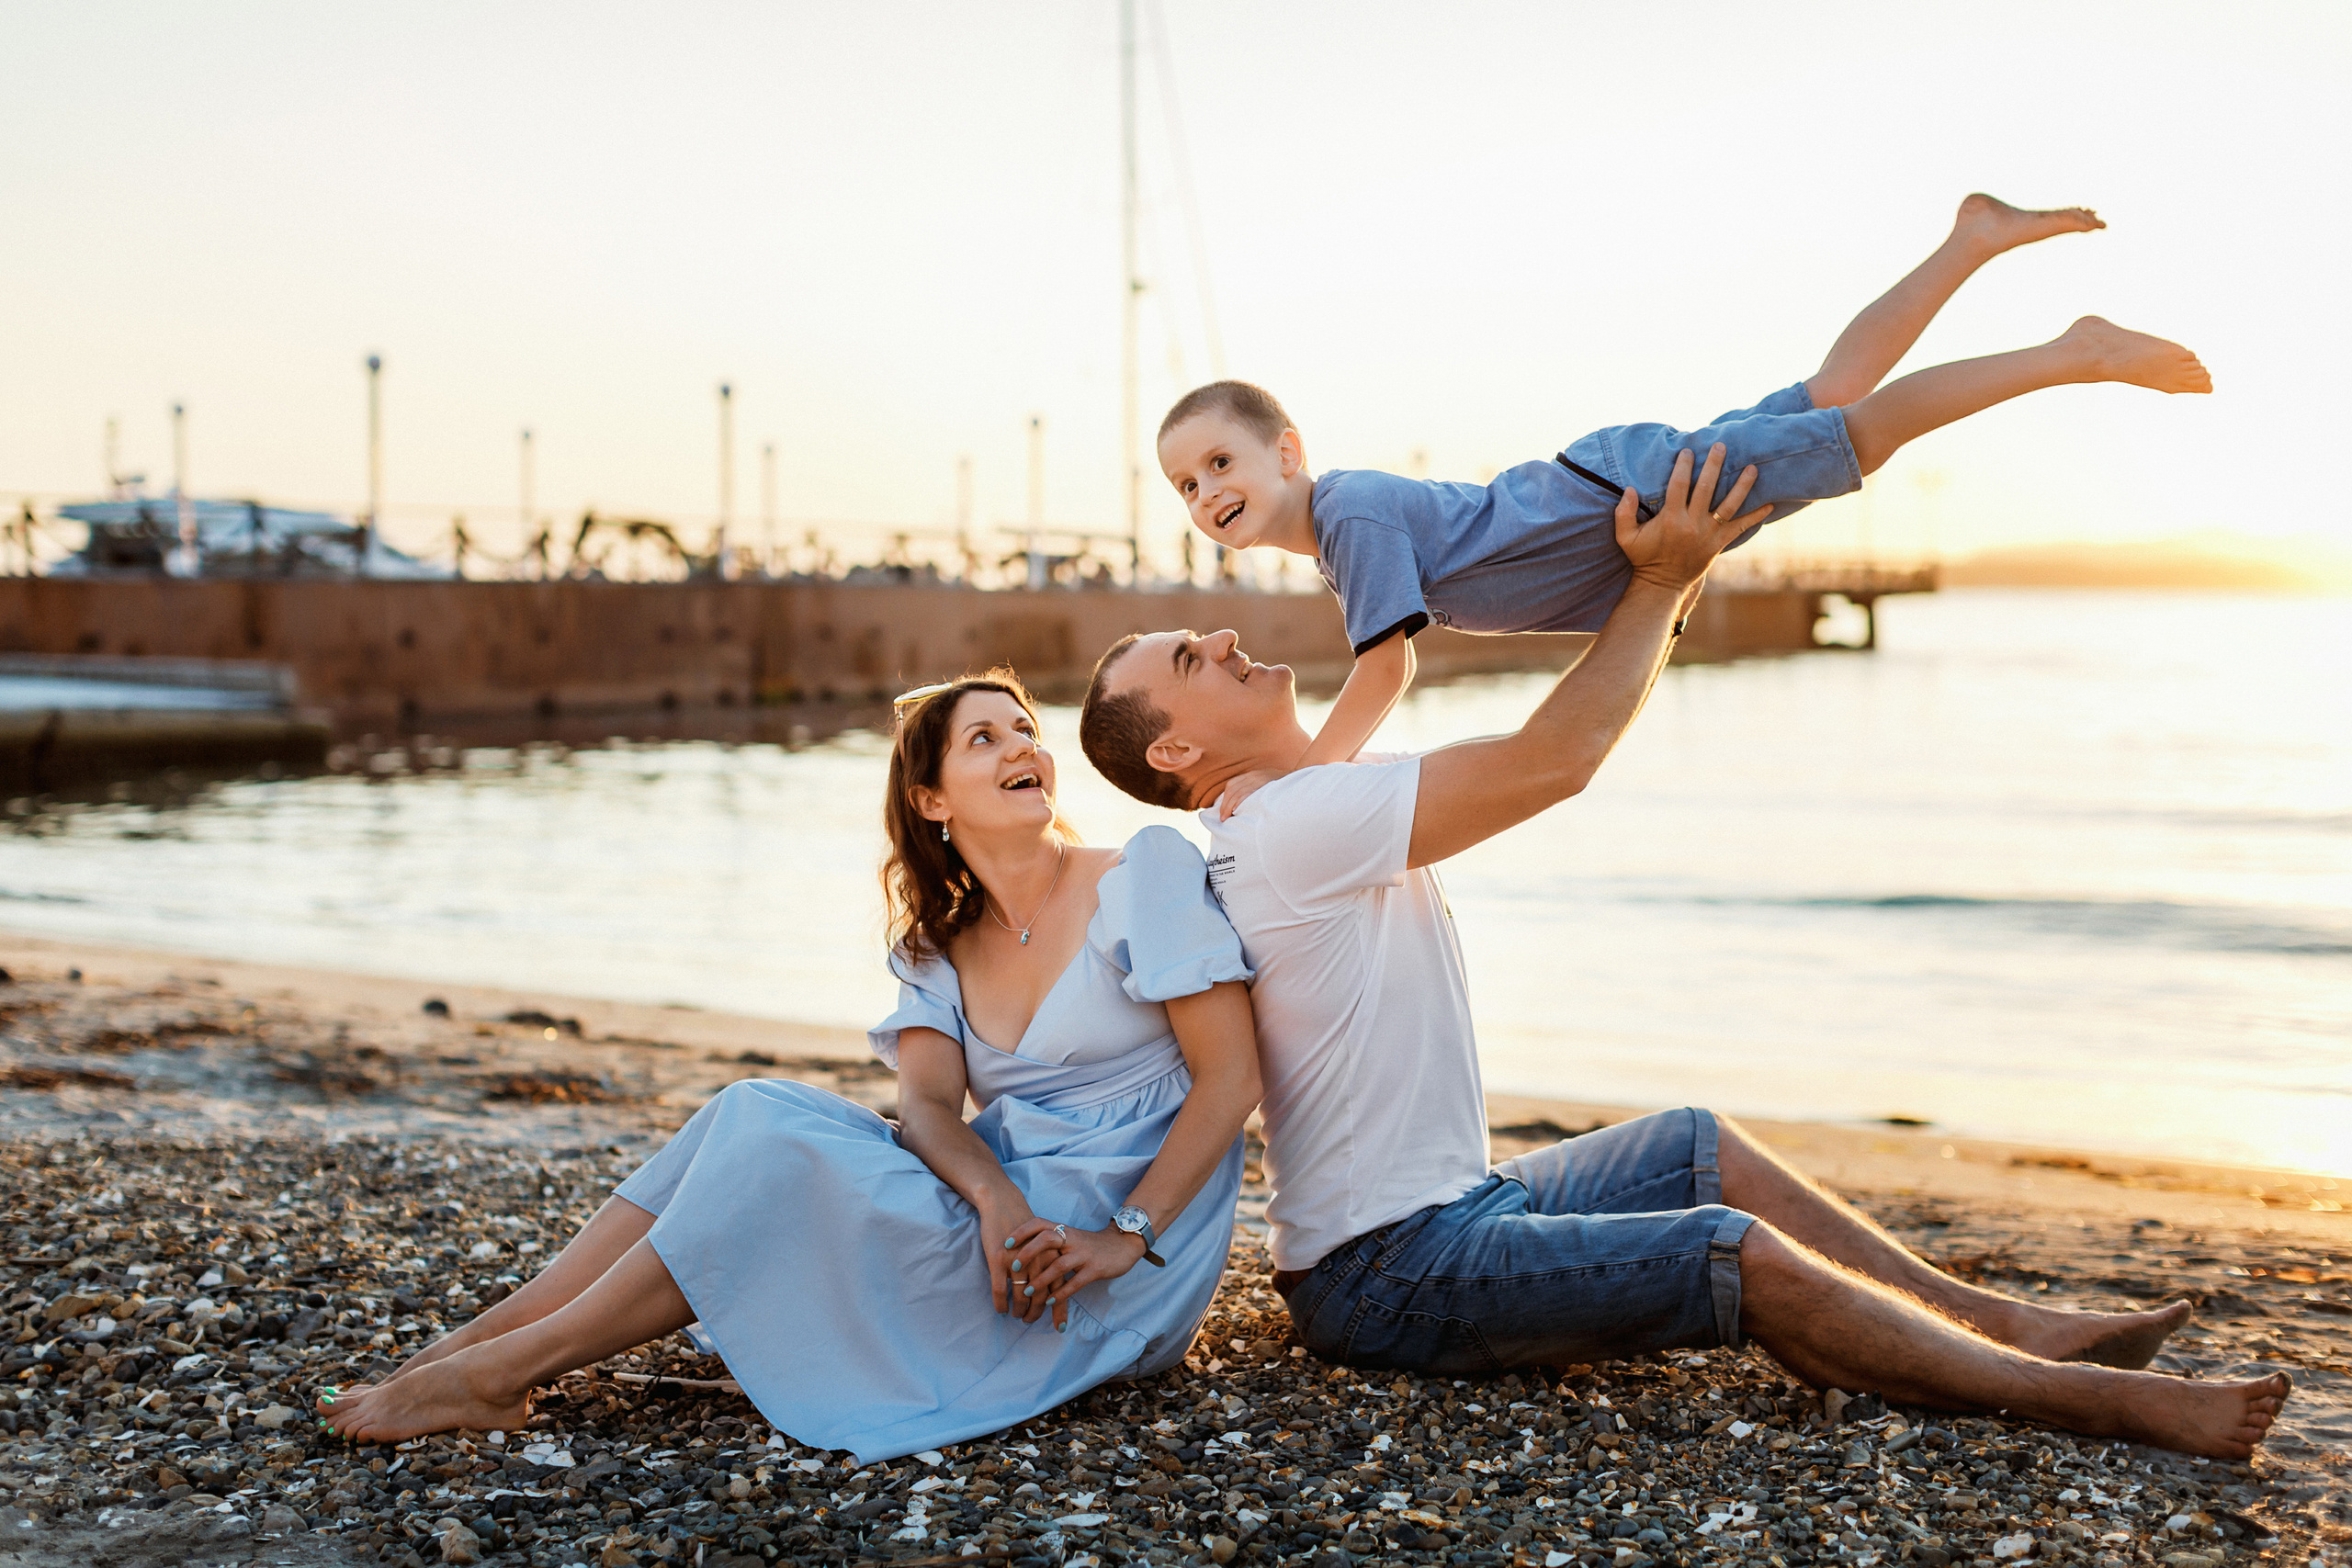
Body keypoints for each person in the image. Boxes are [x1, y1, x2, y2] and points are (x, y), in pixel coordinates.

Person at [1077, 446, 2290, 1459]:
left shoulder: (1308, 805)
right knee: (1730, 1246)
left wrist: (1651, 582)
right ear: (1179, 755)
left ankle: (2004, 1323)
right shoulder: (1294, 824)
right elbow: (1558, 760)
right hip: (1389, 1271)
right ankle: (2085, 1399)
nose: (1224, 634)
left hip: (1442, 1213)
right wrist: (1664, 581)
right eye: (1189, 659)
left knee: (1696, 1141)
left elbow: (1542, 741)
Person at [314, 671, 1262, 1463]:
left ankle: (498, 1374)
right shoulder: (936, 944)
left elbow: (1231, 1078)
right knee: (750, 1104)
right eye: (984, 739)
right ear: (931, 800)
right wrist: (996, 1203)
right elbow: (928, 1109)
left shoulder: (1144, 871)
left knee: (771, 1144)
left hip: (1101, 1264)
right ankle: (475, 1343)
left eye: (1025, 730)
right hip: (1007, 1222)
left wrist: (1124, 1238)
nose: (1023, 748)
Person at [1155, 195, 2212, 806]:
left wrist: (1300, 776)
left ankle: (2071, 353)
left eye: (1219, 464)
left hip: (1627, 489)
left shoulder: (1350, 518)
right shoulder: (1345, 536)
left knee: (1863, 433)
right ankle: (1970, 239)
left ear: (1285, 451)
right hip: (1617, 484)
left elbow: (1388, 665)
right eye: (1186, 486)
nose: (1206, 494)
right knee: (1830, 397)